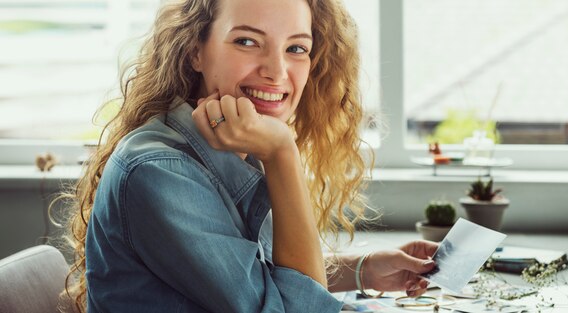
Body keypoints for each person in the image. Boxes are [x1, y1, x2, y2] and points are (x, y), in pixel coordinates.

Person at [62, 0, 438, 312]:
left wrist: (364, 271)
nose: (276, 71)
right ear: (195, 51)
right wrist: (282, 153)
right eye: (246, 41)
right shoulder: (160, 172)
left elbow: (259, 278)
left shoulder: (232, 147)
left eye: (296, 48)